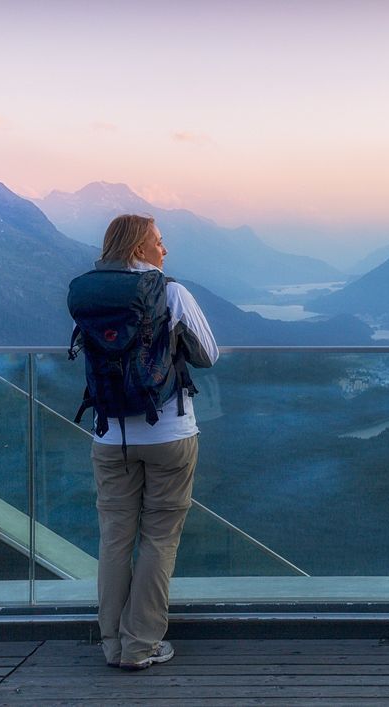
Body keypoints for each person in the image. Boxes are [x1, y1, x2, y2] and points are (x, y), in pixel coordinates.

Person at [86, 214, 219, 670]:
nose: (166, 250)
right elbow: (209, 354)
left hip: (109, 436)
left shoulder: (93, 297)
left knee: (115, 539)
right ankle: (140, 645)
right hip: (168, 434)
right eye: (159, 242)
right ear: (141, 249)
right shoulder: (170, 292)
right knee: (159, 539)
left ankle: (111, 643)